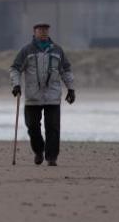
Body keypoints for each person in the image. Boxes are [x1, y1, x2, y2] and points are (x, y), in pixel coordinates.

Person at [9, 23, 76, 166]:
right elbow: (15, 68)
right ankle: (39, 151)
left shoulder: (57, 50)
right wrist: (16, 84)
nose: (44, 32)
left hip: (52, 96)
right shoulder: (27, 50)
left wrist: (71, 89)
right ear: (34, 32)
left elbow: (66, 70)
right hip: (33, 96)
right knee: (32, 127)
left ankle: (51, 157)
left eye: (46, 30)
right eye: (40, 30)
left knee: (53, 127)